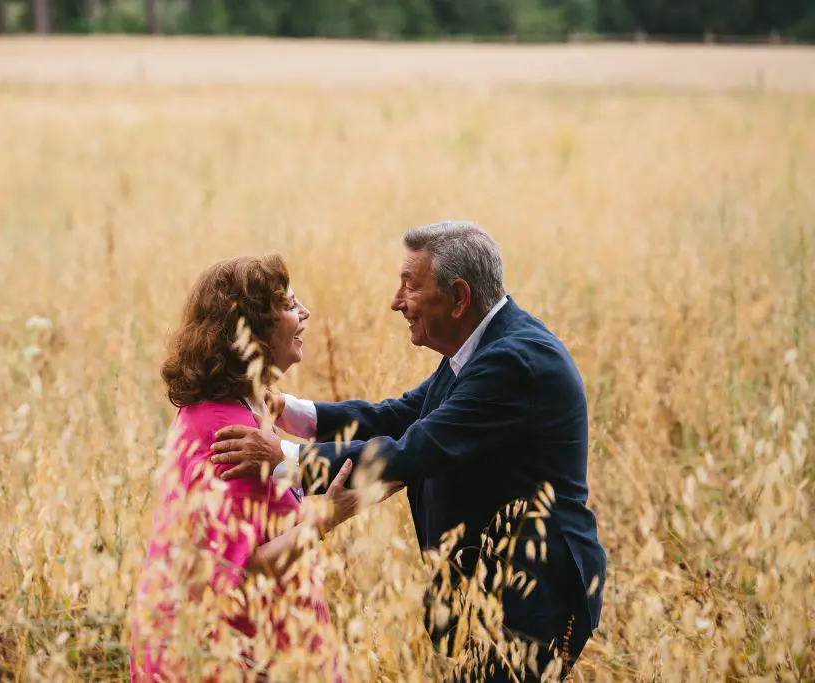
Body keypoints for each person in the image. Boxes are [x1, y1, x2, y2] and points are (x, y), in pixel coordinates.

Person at [211, 221, 607, 682]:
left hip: (537, 593)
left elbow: (414, 449)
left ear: (459, 298)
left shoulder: (512, 362)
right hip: (496, 586)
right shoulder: (479, 349)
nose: (396, 302)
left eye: (410, 286)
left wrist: (285, 461)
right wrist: (291, 411)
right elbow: (398, 416)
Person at [129, 254, 390, 683]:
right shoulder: (225, 431)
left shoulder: (248, 411)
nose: (304, 313)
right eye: (288, 305)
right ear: (253, 331)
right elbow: (236, 570)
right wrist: (329, 515)